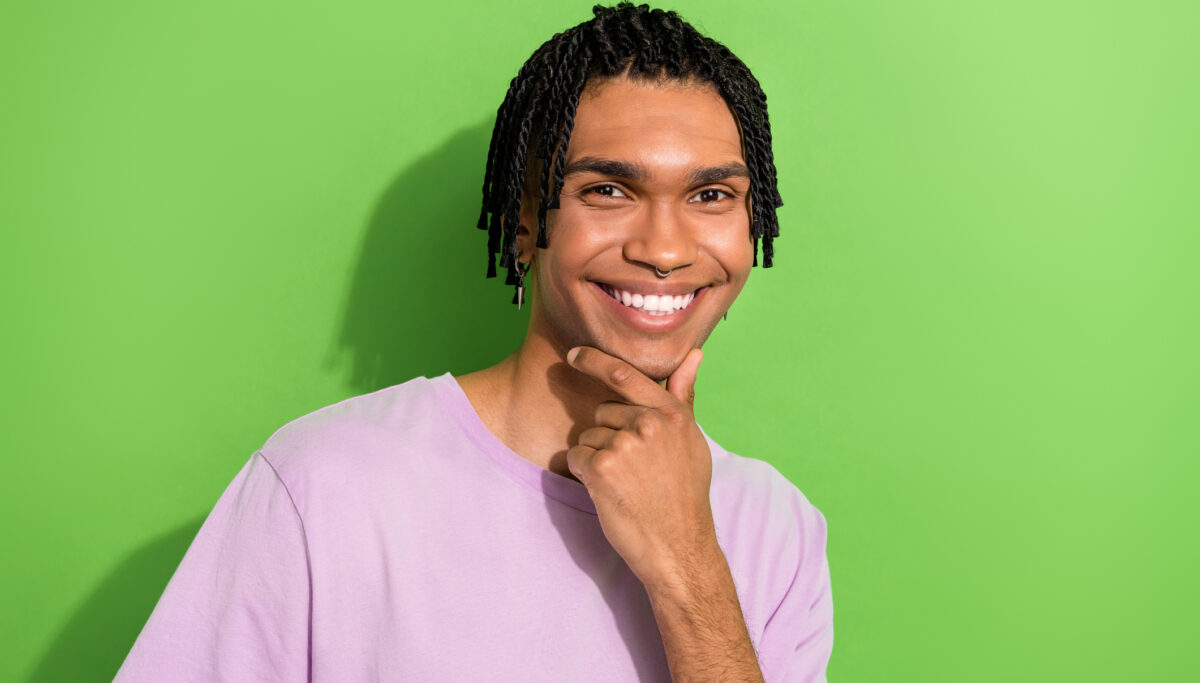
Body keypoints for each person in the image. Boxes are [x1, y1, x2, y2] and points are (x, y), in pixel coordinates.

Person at [116, 3, 833, 681]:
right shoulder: (325, 483)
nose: (665, 249)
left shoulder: (777, 527)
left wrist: (688, 564)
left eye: (711, 196)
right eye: (608, 191)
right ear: (523, 224)